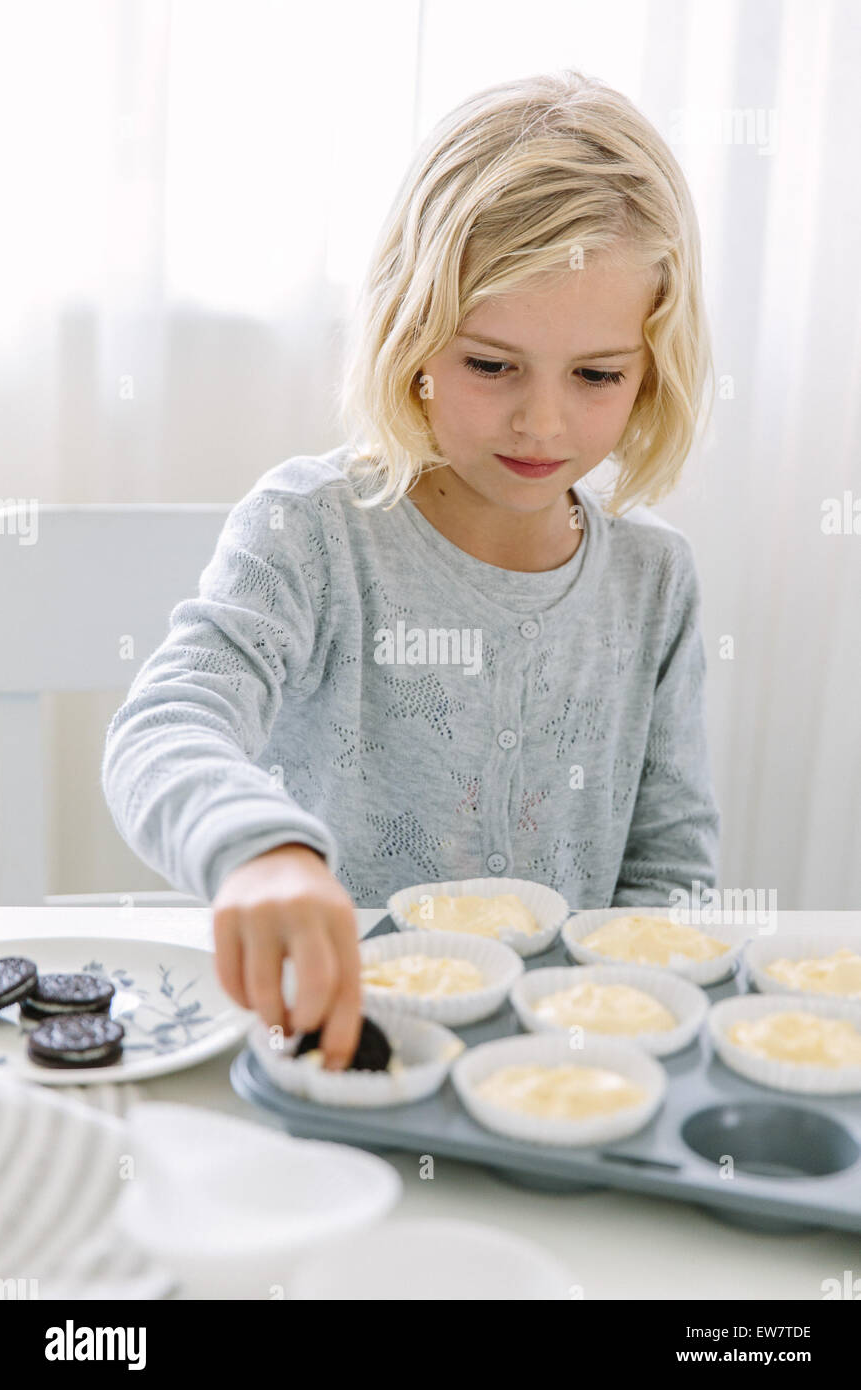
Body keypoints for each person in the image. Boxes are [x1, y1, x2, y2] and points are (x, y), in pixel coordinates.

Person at [102, 70, 720, 1070]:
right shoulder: (312, 533)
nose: (540, 422)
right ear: (410, 336)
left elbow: (671, 873)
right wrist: (261, 851)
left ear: (652, 366)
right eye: (490, 364)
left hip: (556, 1076)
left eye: (596, 375)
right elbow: (165, 725)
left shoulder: (655, 583)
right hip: (337, 1057)